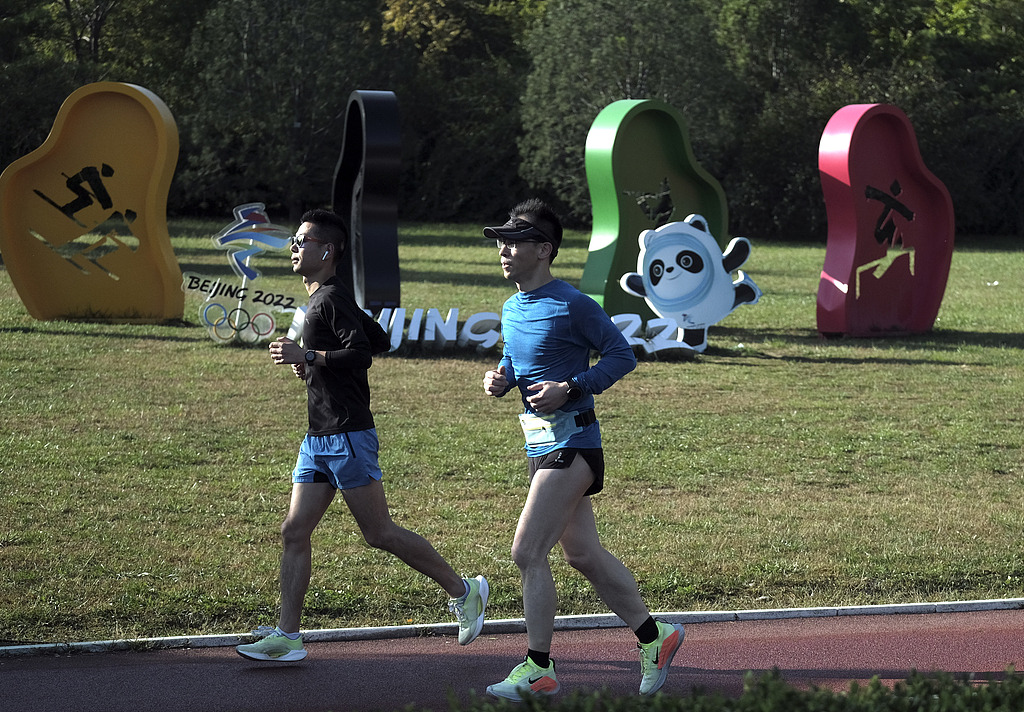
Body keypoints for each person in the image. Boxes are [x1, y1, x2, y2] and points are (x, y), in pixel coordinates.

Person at [237, 208, 487, 661]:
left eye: (303, 241)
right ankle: (288, 637)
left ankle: (463, 589)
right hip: (318, 437)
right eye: (294, 240)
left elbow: (362, 353)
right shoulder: (326, 299)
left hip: (347, 434)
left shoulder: (329, 298)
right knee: (294, 531)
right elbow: (379, 339)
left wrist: (310, 354)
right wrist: (311, 363)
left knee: (378, 533)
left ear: (327, 250)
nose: (294, 247)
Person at [480, 199, 683, 699]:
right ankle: (655, 636)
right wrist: (504, 377)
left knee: (527, 551)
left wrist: (571, 387)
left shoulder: (574, 303)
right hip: (540, 443)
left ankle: (538, 667)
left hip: (573, 443)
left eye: (514, 242)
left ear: (544, 250)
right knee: (584, 555)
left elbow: (622, 356)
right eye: (501, 242)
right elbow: (517, 356)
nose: (503, 251)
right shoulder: (512, 306)